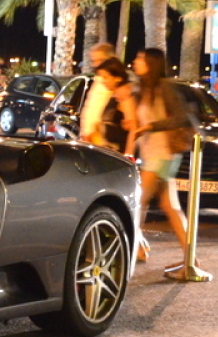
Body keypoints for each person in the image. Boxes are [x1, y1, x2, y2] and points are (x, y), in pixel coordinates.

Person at [129, 47, 197, 268]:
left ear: (151, 63)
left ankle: (131, 252)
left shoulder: (164, 87)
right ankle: (190, 258)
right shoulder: (145, 89)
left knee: (138, 202)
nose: (135, 61)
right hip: (153, 154)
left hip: (162, 154)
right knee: (170, 207)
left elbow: (180, 118)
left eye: (140, 58)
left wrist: (151, 126)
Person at [88, 57, 136, 153]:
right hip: (108, 152)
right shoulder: (114, 96)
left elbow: (133, 129)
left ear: (117, 78)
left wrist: (128, 155)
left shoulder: (124, 97)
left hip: (118, 153)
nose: (103, 81)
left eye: (106, 77)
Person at [79, 42, 118, 145]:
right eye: (93, 60)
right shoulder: (99, 80)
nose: (95, 64)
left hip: (102, 140)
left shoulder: (115, 82)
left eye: (99, 60)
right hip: (91, 138)